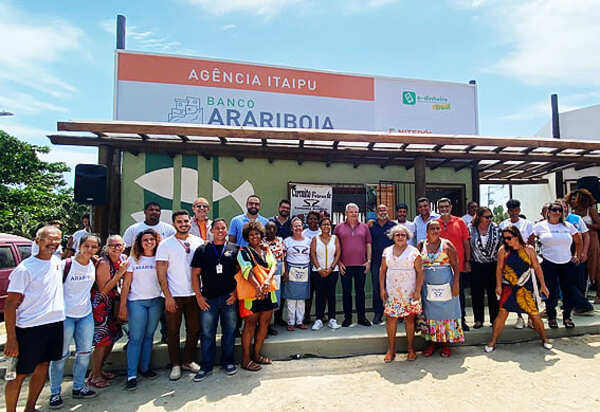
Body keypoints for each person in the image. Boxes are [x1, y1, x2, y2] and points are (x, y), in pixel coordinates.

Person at [4, 226, 65, 412]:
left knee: (43, 367)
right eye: (48, 239)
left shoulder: (56, 261)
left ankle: (30, 408)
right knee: (19, 374)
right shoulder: (24, 269)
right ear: (37, 241)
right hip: (29, 328)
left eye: (57, 240)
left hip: (54, 324)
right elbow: (10, 305)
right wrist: (12, 339)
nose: (53, 243)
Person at [49, 234, 101, 407]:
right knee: (60, 356)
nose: (89, 250)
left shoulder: (94, 264)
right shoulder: (66, 265)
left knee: (85, 353)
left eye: (94, 247)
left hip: (85, 314)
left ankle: (78, 387)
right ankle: (55, 393)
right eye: (86, 245)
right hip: (65, 316)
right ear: (79, 245)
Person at [485, 225, 552, 352]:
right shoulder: (503, 250)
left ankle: (545, 339)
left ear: (516, 236)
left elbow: (537, 267)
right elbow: (499, 269)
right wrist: (498, 286)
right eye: (504, 238)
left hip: (525, 287)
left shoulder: (529, 249)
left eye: (509, 238)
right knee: (502, 314)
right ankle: (492, 342)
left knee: (534, 315)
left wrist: (543, 285)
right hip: (508, 287)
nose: (506, 241)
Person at [156, 210, 204, 380]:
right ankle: (175, 364)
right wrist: (167, 296)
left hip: (194, 294)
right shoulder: (165, 244)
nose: (183, 224)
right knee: (173, 331)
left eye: (185, 221)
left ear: (190, 222)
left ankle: (188, 361)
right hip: (174, 295)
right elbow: (161, 273)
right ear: (174, 223)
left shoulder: (198, 241)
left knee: (194, 329)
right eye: (179, 221)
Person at [191, 219, 240, 381]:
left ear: (227, 231)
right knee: (207, 334)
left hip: (229, 299)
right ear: (211, 230)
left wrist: (235, 294)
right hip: (208, 299)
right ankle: (206, 366)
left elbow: (239, 274)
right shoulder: (202, 250)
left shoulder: (234, 249)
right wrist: (198, 296)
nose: (220, 230)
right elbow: (195, 275)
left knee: (229, 331)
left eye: (223, 228)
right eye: (217, 228)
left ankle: (228, 362)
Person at [118, 229, 163, 391]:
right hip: (136, 302)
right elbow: (126, 285)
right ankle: (131, 375)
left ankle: (145, 368)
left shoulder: (160, 258)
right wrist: (123, 306)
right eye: (145, 240)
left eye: (152, 239)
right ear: (139, 242)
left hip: (156, 301)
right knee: (136, 338)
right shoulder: (133, 260)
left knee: (149, 336)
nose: (149, 242)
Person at [530, 201, 584, 329]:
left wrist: (577, 255)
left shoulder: (568, 226)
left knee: (568, 290)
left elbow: (578, 239)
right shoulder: (540, 226)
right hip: (548, 262)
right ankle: (551, 316)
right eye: (554, 210)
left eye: (560, 210)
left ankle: (567, 317)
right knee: (550, 291)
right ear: (548, 212)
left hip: (566, 262)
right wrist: (536, 255)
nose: (557, 212)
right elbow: (530, 240)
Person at [419, 220, 464, 357]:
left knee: (447, 314)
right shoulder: (421, 245)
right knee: (430, 315)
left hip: (446, 285)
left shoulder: (447, 245)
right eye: (432, 228)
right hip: (428, 287)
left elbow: (456, 266)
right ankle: (432, 343)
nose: (435, 231)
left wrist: (455, 284)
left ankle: (446, 344)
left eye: (437, 228)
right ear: (427, 230)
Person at [237, 221, 278, 371]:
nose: (254, 236)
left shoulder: (266, 251)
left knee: (264, 324)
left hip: (268, 292)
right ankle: (246, 359)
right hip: (251, 295)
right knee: (250, 326)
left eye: (257, 234)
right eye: (251, 234)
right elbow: (246, 271)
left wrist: (267, 281)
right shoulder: (243, 252)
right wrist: (258, 287)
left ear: (261, 235)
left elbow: (274, 265)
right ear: (247, 237)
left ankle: (257, 355)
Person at [380, 225, 423, 362]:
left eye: (403, 235)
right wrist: (382, 289)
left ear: (407, 237)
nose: (400, 237)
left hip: (409, 292)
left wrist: (417, 290)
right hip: (392, 292)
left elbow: (420, 272)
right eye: (397, 235)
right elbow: (382, 270)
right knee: (391, 319)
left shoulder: (414, 252)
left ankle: (411, 349)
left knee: (409, 319)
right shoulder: (386, 251)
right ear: (393, 237)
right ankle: (391, 349)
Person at [87, 235, 126, 389]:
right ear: (107, 247)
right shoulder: (104, 263)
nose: (116, 248)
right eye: (112, 245)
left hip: (114, 304)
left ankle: (99, 370)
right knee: (102, 341)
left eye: (119, 245)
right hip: (101, 305)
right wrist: (119, 274)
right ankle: (94, 374)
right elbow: (103, 290)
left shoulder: (123, 258)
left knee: (112, 337)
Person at [334, 203, 373, 327]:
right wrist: (339, 262)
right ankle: (347, 318)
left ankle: (362, 317)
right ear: (346, 213)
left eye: (356, 212)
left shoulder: (364, 227)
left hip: (361, 264)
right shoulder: (338, 228)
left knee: (360, 292)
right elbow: (335, 246)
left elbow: (368, 244)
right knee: (346, 293)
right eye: (351, 212)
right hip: (345, 265)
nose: (354, 214)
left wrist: (369, 261)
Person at [499, 199, 535, 329]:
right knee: (515, 289)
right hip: (510, 260)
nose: (513, 213)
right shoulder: (503, 224)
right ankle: (519, 317)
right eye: (511, 210)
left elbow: (531, 242)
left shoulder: (527, 224)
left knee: (529, 290)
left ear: (519, 210)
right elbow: (502, 243)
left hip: (525, 259)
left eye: (516, 210)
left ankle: (531, 318)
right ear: (507, 211)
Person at [437, 197, 471, 331]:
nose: (444, 209)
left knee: (459, 294)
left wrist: (467, 261)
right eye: (441, 207)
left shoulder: (460, 222)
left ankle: (461, 320)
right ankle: (446, 321)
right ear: (438, 209)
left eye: (446, 206)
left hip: (459, 265)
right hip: (441, 267)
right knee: (444, 295)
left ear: (450, 207)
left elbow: (466, 243)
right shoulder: (435, 223)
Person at [469, 207, 502, 328]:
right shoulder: (471, 228)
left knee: (493, 293)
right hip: (476, 264)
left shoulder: (496, 228)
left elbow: (501, 245)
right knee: (477, 293)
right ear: (479, 217)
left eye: (490, 217)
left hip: (493, 264)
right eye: (486, 217)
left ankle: (494, 319)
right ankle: (478, 319)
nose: (489, 219)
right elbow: (467, 245)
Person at [566, 189, 600, 303]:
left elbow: (599, 225)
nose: (572, 200)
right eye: (571, 198)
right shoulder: (572, 213)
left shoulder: (590, 211)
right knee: (579, 269)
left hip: (592, 240)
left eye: (574, 199)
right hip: (577, 242)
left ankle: (598, 295)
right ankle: (580, 296)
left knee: (595, 267)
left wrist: (587, 225)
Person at [310, 216, 342, 330]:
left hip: (332, 271)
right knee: (320, 295)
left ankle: (332, 319)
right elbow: (313, 254)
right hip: (318, 272)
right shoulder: (315, 238)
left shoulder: (335, 238)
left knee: (331, 295)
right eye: (324, 224)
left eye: (328, 224)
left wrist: (332, 268)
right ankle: (318, 319)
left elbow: (338, 253)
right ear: (320, 227)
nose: (326, 226)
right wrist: (319, 269)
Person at [283, 217, 312, 330]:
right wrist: (285, 272)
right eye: (295, 226)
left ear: (302, 226)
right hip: (291, 269)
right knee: (291, 298)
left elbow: (311, 256)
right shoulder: (286, 241)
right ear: (291, 228)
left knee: (301, 298)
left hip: (305, 269)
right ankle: (290, 322)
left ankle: (300, 321)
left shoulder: (308, 241)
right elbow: (284, 258)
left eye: (299, 225)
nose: (298, 228)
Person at [369, 204, 396, 325]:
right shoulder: (371, 225)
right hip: (376, 262)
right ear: (376, 213)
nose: (382, 212)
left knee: (392, 288)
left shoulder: (393, 226)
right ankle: (378, 314)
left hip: (391, 263)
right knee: (376, 289)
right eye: (379, 210)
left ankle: (394, 313)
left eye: (384, 209)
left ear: (388, 211)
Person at [263, 221, 285, 335]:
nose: (270, 231)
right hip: (266, 273)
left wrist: (284, 273)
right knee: (266, 300)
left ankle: (270, 325)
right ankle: (263, 327)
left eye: (273, 228)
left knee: (275, 299)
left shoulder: (280, 240)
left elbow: (283, 257)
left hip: (278, 274)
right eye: (268, 228)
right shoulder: (261, 242)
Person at [303, 210, 322, 324]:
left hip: (320, 266)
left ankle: (321, 315)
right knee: (309, 293)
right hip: (307, 266)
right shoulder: (304, 233)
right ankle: (307, 315)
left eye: (315, 219)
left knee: (321, 292)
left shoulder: (322, 232)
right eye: (310, 218)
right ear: (307, 220)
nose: (313, 221)